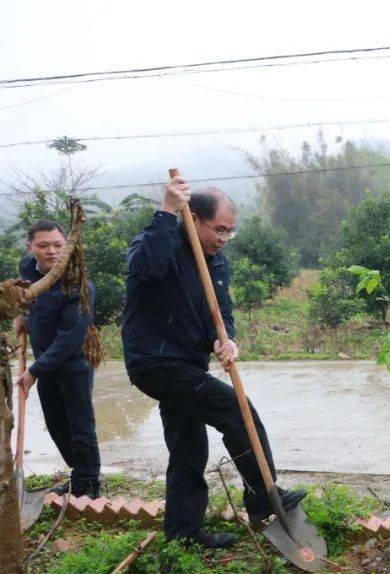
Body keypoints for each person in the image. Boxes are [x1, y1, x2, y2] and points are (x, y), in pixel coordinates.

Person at [121, 174, 305, 549]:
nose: (223, 238)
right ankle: (261, 495)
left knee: (188, 447)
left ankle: (182, 534)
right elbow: (144, 269)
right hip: (156, 362)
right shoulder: (163, 243)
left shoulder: (216, 263)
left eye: (230, 232)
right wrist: (167, 210)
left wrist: (227, 341)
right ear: (194, 219)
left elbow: (221, 313)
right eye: (218, 229)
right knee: (238, 411)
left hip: (189, 365)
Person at [14, 221, 101, 498]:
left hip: (74, 362)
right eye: (43, 245)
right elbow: (26, 295)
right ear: (31, 248)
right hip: (44, 360)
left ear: (68, 247)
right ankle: (80, 474)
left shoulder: (79, 285)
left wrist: (34, 371)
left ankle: (89, 486)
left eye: (58, 245)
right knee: (55, 424)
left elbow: (69, 338)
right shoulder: (27, 268)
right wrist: (22, 313)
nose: (51, 251)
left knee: (80, 425)